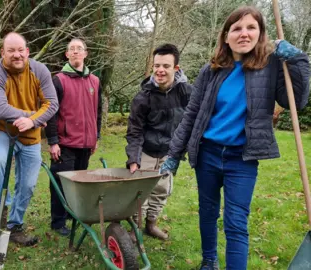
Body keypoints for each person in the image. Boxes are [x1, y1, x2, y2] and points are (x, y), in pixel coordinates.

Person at [160, 6, 310, 270]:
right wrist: (173, 154)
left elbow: (295, 101)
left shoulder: (271, 66)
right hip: (207, 153)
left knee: (236, 223)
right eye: (237, 28)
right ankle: (209, 261)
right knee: (207, 212)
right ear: (226, 36)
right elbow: (192, 113)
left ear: (261, 33)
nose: (244, 34)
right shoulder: (212, 70)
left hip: (242, 158)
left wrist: (299, 61)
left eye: (251, 27)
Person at [0, 32, 58, 246]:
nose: (16, 55)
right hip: (3, 130)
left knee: (28, 185)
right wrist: (34, 116)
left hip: (31, 137)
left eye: (20, 50)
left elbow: (51, 103)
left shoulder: (39, 70)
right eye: (11, 50)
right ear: (2, 52)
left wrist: (32, 123)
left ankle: (15, 226)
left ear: (27, 52)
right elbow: (0, 109)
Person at [125, 43, 192, 241]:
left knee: (161, 190)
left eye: (166, 66)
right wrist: (134, 159)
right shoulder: (143, 98)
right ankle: (135, 228)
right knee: (139, 192)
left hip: (170, 153)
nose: (160, 71)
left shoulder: (187, 93)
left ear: (176, 68)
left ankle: (151, 225)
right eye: (156, 66)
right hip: (146, 151)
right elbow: (134, 131)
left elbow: (194, 123)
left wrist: (181, 151)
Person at [45, 38, 102, 236]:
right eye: (72, 49)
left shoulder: (94, 81)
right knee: (61, 183)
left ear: (86, 54)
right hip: (65, 143)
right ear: (67, 55)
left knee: (78, 183)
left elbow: (98, 111)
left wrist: (96, 136)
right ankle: (58, 221)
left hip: (85, 143)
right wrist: (53, 142)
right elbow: (51, 112)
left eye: (79, 49)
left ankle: (72, 214)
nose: (76, 52)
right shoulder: (58, 80)